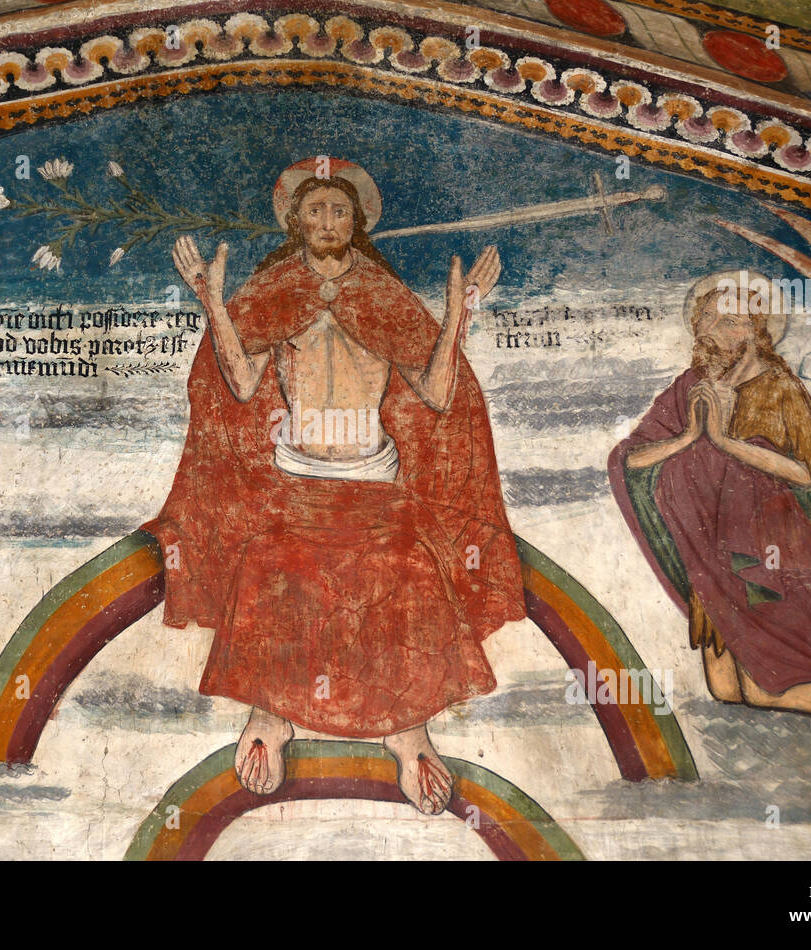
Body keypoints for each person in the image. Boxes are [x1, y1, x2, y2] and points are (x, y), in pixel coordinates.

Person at [144, 158, 525, 814]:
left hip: (374, 482)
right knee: (268, 564)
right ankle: (270, 715)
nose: (327, 221)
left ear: (357, 222)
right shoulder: (276, 289)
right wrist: (212, 301)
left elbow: (435, 394)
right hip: (297, 481)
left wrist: (458, 314)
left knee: (409, 570)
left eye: (339, 211)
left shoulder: (380, 291)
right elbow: (237, 383)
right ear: (296, 221)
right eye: (315, 211)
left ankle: (410, 731)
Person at [608, 271, 811, 807]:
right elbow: (629, 459)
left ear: (757, 330)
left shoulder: (781, 389)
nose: (715, 328)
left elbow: (808, 475)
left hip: (769, 557)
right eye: (709, 317)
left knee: (769, 684)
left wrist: (726, 442)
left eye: (731, 320)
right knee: (728, 688)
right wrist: (690, 437)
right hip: (710, 560)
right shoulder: (688, 388)